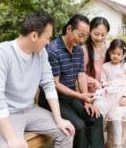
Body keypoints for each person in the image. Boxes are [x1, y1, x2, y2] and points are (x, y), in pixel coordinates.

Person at [0, 11, 75, 148]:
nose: (48, 42)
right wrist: (12, 138)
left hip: (30, 110)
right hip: (8, 115)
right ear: (34, 35)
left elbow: (49, 85)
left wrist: (59, 119)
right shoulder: (2, 53)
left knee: (66, 132)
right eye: (47, 38)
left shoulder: (41, 54)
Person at [38, 14, 104, 148]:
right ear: (69, 29)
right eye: (80, 35)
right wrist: (80, 96)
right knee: (78, 126)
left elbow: (81, 75)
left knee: (96, 117)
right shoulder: (53, 50)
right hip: (53, 99)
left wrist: (86, 101)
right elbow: (55, 84)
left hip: (71, 96)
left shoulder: (79, 50)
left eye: (85, 36)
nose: (82, 40)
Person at [94, 39, 126, 148]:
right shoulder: (105, 66)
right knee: (98, 110)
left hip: (121, 97)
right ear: (109, 52)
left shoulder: (125, 66)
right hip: (110, 94)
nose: (115, 56)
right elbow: (103, 80)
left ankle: (118, 144)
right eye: (113, 53)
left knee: (116, 118)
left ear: (123, 54)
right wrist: (106, 85)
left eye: (119, 54)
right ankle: (100, 140)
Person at [82, 17, 110, 93]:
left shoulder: (110, 48)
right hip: (91, 91)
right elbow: (80, 74)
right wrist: (93, 81)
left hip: (108, 89)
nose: (99, 38)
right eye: (96, 34)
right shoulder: (84, 50)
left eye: (103, 35)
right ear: (90, 31)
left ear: (107, 33)